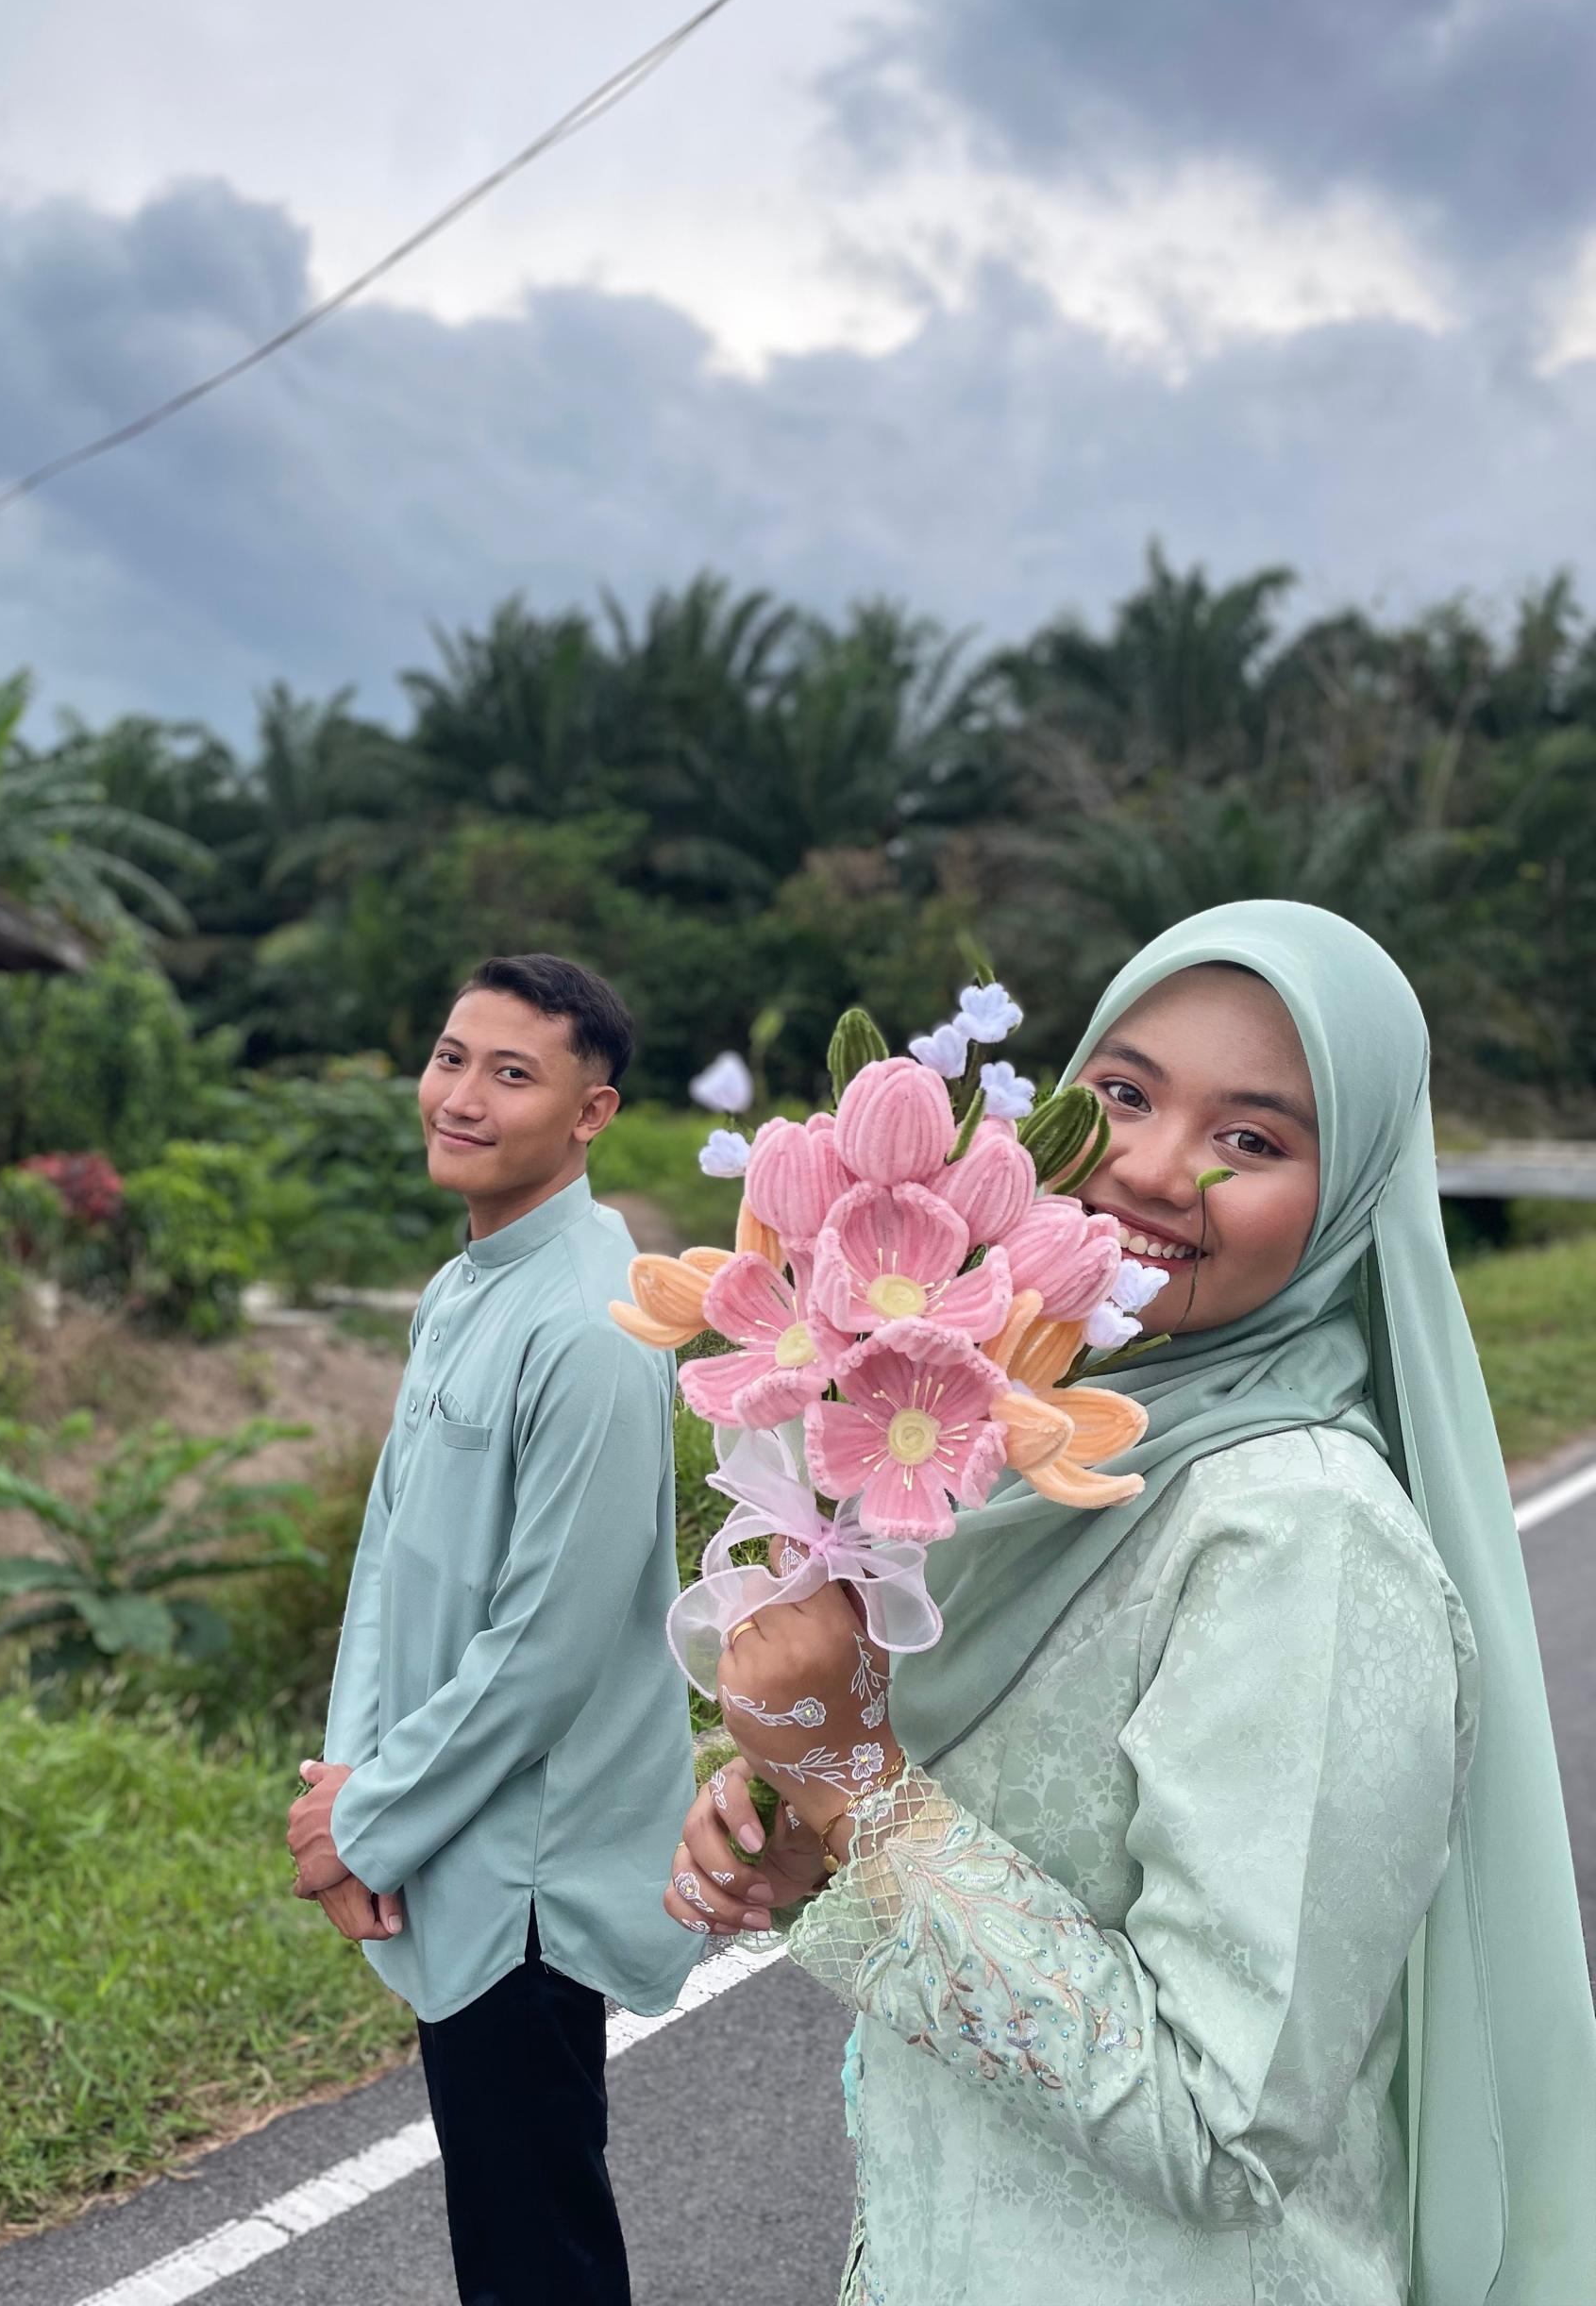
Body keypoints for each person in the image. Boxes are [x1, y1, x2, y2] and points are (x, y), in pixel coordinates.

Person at [665, 901, 1596, 2305]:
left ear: (1350, 1198)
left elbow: (1224, 2125)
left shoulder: (1297, 1534)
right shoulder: (1033, 1459)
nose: (1154, 1170)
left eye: (1254, 1141)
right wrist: (818, 1834)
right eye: (1123, 1094)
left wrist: (860, 1790)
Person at [289, 952, 701, 2306]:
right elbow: (390, 1561)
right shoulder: (465, 1284)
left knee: (537, 2254)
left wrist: (369, 1821)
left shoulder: (593, 1323)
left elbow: (547, 1652)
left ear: (591, 1113)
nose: (460, 1097)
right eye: (451, 1057)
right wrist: (347, 1787)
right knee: (507, 2234)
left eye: (511, 1074)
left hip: (526, 1875)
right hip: (438, 1825)